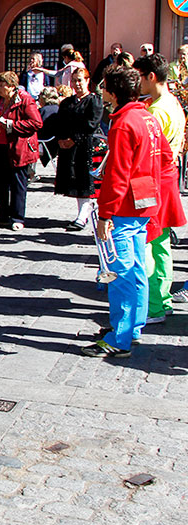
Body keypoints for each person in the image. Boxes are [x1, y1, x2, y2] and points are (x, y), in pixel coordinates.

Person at [81, 65, 167, 358]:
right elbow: (166, 158)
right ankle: (133, 328)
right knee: (138, 270)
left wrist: (105, 214)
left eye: (104, 87)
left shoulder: (123, 122)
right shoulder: (147, 117)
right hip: (142, 203)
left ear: (113, 92)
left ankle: (120, 339)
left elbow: (118, 174)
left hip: (124, 207)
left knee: (120, 272)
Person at [133, 54, 187, 325]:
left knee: (150, 244)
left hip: (153, 181)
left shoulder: (155, 111)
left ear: (151, 77)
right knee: (162, 244)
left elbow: (147, 152)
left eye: (140, 77)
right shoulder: (173, 102)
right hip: (168, 179)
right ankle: (162, 300)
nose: (138, 83)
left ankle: (153, 305)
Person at [51, 68, 103, 231]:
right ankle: (82, 212)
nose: (77, 84)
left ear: (87, 81)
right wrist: (61, 139)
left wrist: (74, 139)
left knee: (85, 181)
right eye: (74, 80)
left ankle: (83, 215)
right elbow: (59, 121)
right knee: (75, 181)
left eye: (80, 80)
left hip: (86, 146)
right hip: (68, 146)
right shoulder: (67, 102)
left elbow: (92, 123)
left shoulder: (94, 100)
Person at [0, 71, 42, 231]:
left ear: (12, 86)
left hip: (18, 148)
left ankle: (17, 217)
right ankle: (2, 216)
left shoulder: (25, 100)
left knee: (18, 183)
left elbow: (36, 123)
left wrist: (12, 125)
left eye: (2, 85)